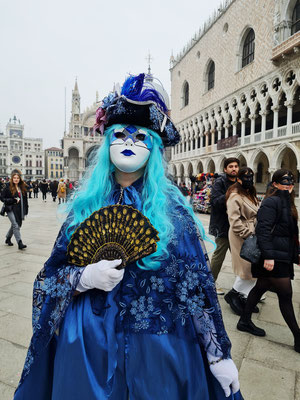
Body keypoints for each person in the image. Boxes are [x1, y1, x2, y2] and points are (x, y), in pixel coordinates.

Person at [14, 73, 242, 400]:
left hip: (160, 347)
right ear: (107, 143)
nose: (130, 142)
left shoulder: (173, 210)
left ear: (154, 146)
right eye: (120, 134)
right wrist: (82, 277)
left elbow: (196, 284)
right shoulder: (85, 208)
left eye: (141, 137)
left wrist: (217, 352)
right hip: (88, 344)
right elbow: (48, 279)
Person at [237, 169, 300, 353]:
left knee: (260, 287)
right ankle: (298, 336)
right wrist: (269, 256)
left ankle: (244, 320)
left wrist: (296, 253)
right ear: (274, 184)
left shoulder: (287, 202)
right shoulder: (272, 202)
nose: (288, 184)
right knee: (285, 295)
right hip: (272, 256)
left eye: (291, 181)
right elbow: (263, 230)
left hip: (282, 255)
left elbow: (289, 233)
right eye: (284, 181)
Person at [225, 167, 259, 315]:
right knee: (246, 267)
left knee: (252, 268)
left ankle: (243, 296)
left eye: (251, 177)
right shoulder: (234, 196)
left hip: (252, 233)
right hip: (241, 235)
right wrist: (249, 234)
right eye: (245, 177)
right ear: (238, 179)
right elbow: (234, 222)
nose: (249, 180)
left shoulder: (250, 193)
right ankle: (234, 294)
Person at [209, 158, 240, 295]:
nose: (234, 169)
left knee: (240, 257)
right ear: (225, 169)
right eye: (231, 166)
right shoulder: (220, 182)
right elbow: (215, 202)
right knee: (219, 255)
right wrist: (231, 192)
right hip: (222, 225)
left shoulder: (241, 182)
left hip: (238, 226)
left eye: (236, 166)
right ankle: (210, 282)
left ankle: (242, 286)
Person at [0, 171, 28, 250]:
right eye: (14, 178)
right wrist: (12, 200)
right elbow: (2, 198)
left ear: (20, 179)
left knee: (15, 225)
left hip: (19, 209)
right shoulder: (7, 187)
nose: (16, 179)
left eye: (17, 178)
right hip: (10, 208)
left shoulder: (22, 187)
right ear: (12, 179)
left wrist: (26, 210)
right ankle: (20, 242)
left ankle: (8, 238)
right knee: (15, 225)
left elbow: (25, 200)